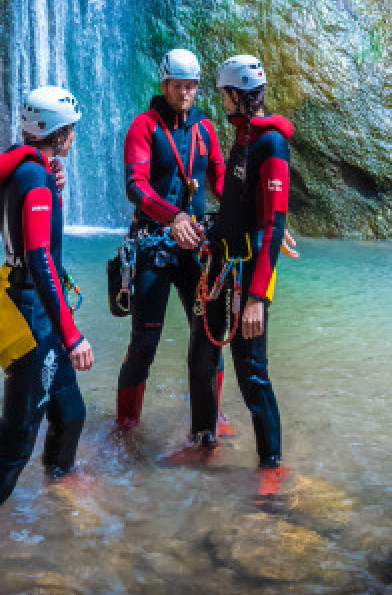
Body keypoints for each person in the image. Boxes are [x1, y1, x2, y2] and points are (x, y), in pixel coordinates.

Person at [0, 85, 94, 512]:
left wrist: (49, 182)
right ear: (57, 133)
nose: (74, 138)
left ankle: (60, 478)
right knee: (17, 437)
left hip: (31, 298)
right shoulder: (35, 177)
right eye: (71, 131)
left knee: (70, 411)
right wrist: (72, 335)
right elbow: (40, 260)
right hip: (31, 310)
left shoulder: (26, 167)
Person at [187, 54, 293, 472]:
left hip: (248, 279)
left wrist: (254, 299)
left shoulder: (271, 143)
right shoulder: (245, 138)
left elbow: (270, 225)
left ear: (235, 94)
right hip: (222, 267)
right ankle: (203, 437)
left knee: (252, 373)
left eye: (225, 95)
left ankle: (272, 465)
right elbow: (246, 206)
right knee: (202, 350)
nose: (223, 102)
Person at [116, 49, 227, 431]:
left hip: (196, 245)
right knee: (145, 342)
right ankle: (127, 425)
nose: (184, 93)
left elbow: (220, 180)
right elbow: (136, 186)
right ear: (163, 85)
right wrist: (173, 217)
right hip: (155, 245)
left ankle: (212, 417)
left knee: (210, 337)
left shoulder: (206, 129)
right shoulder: (143, 127)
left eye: (191, 86)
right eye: (178, 86)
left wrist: (254, 213)